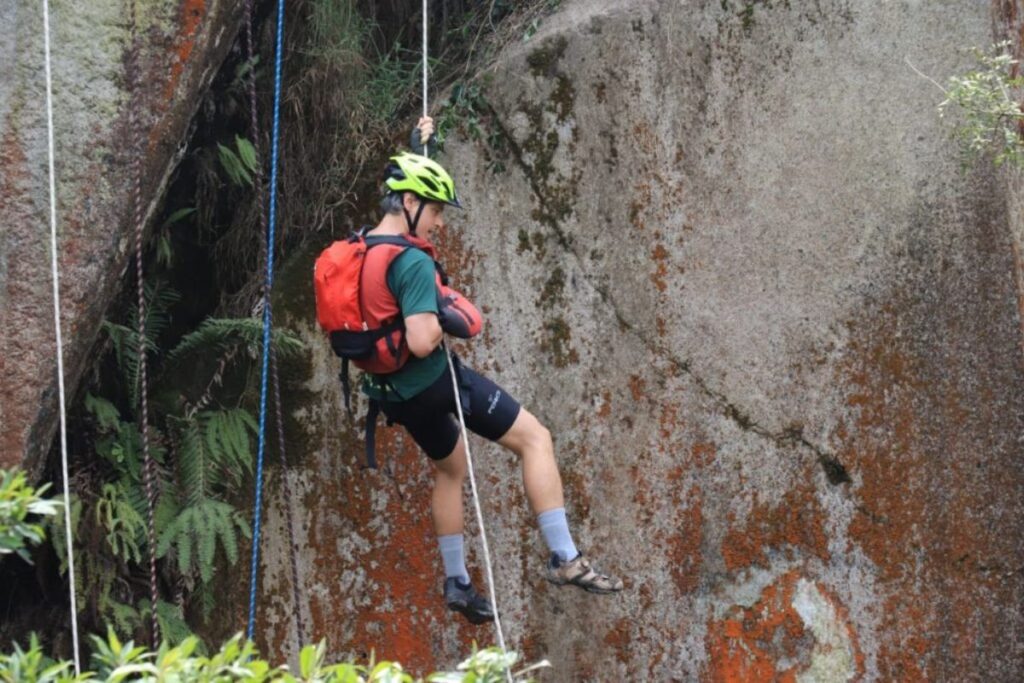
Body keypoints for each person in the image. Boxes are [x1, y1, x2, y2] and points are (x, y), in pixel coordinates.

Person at [362, 116, 623, 625]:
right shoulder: (411, 262)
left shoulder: (363, 246)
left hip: (393, 395)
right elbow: (420, 341)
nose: (438, 223)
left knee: (451, 468)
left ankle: (457, 581)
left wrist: (422, 146)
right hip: (435, 383)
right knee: (536, 439)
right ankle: (565, 557)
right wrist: (444, 314)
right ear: (411, 204)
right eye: (435, 211)